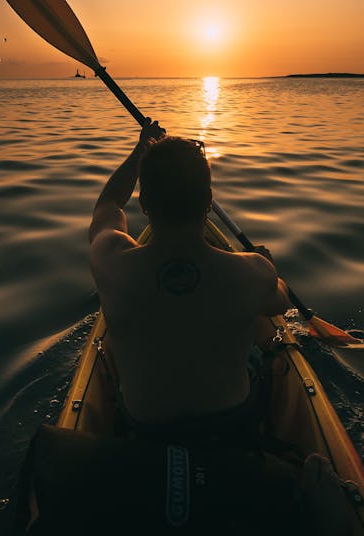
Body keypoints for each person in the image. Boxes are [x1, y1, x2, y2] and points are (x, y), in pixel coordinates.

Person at [89, 118, 291, 433]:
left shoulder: (112, 262)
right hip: (232, 423)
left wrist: (140, 150)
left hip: (142, 425)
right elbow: (280, 303)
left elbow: (109, 204)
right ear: (208, 201)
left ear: (143, 202)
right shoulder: (253, 272)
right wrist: (267, 267)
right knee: (259, 356)